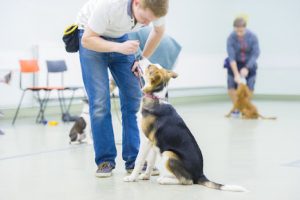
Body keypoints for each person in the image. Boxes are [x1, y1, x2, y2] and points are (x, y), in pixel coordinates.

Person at [76, 0, 169, 177]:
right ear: (136, 3)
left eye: (151, 20)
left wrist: (141, 59)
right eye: (144, 18)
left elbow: (159, 31)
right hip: (91, 36)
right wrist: (118, 47)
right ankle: (105, 160)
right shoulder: (110, 5)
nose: (147, 23)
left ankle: (135, 160)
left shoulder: (157, 7)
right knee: (100, 101)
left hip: (119, 35)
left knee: (134, 99)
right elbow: (87, 40)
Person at [224, 16, 260, 115]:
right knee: (231, 84)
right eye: (237, 31)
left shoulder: (253, 37)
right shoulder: (230, 38)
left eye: (241, 31)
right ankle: (237, 108)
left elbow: (255, 53)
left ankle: (245, 106)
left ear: (245, 28)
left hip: (249, 62)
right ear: (234, 28)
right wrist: (236, 74)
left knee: (250, 85)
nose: (239, 33)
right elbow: (231, 57)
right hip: (235, 63)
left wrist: (247, 67)